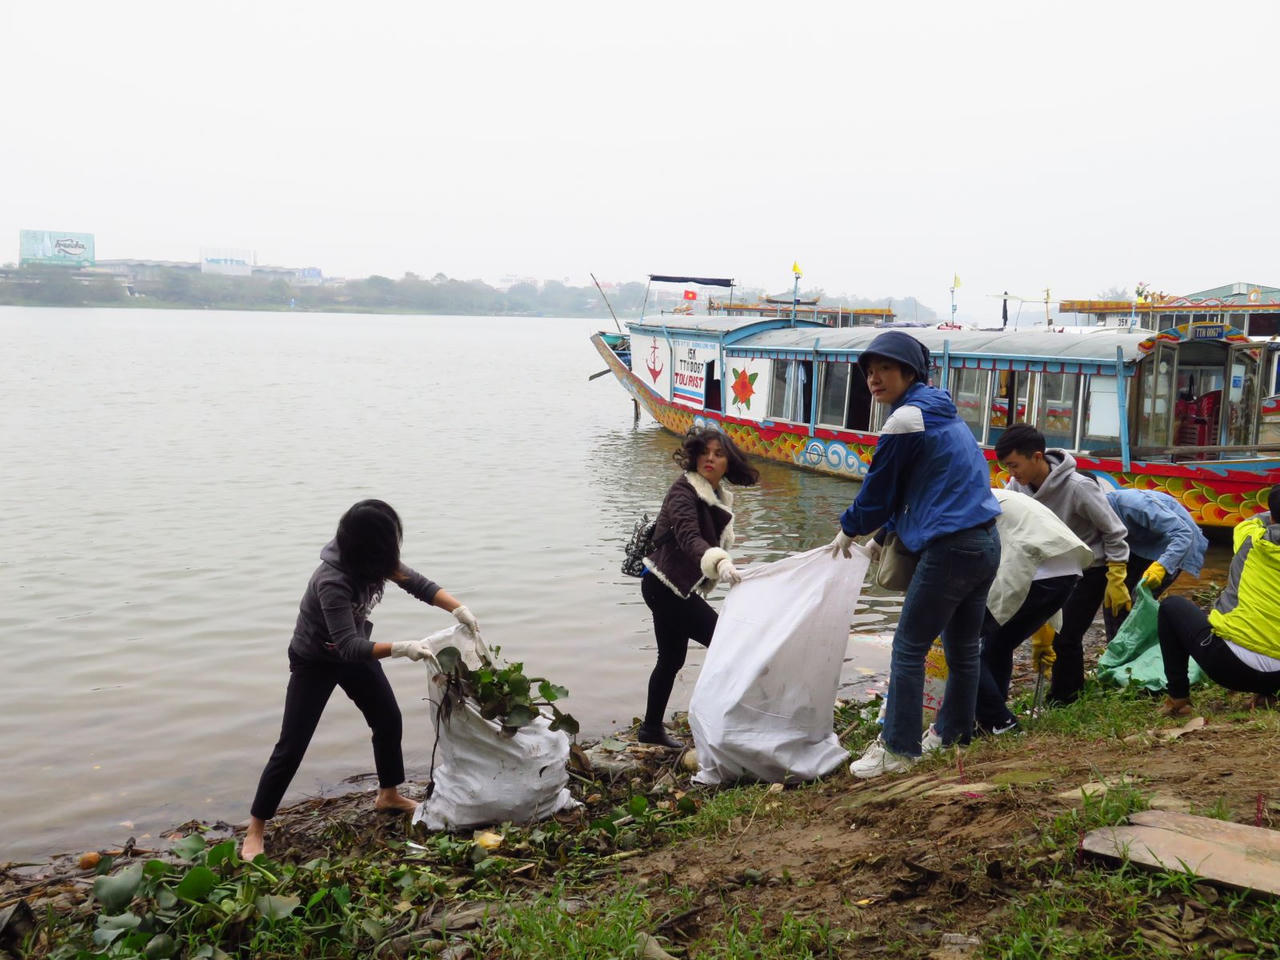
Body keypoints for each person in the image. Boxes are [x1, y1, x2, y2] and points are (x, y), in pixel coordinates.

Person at [241, 499, 479, 859]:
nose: (392, 554)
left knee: (387, 719)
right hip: (315, 660)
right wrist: (403, 648)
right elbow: (350, 646)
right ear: (365, 546)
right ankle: (255, 828)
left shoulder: (372, 560)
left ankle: (388, 796)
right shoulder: (332, 580)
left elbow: (418, 583)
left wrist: (459, 608)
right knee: (292, 744)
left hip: (354, 651)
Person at [829, 331, 1001, 778]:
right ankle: (952, 736)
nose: (874, 378)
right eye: (869, 371)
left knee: (908, 647)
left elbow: (880, 489)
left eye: (885, 368)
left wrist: (850, 527)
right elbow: (921, 488)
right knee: (964, 649)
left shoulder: (905, 419)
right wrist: (884, 533)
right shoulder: (941, 412)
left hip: (950, 548)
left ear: (910, 372)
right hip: (984, 543)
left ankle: (899, 749)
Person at [639, 427, 758, 748]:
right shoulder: (683, 491)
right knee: (725, 642)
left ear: (728, 462)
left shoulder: (715, 494)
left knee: (671, 659)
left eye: (719, 454)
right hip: (664, 586)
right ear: (694, 456)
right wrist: (720, 562)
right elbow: (690, 537)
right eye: (705, 452)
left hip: (672, 586)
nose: (710, 458)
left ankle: (650, 730)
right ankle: (727, 721)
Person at [995, 424, 1130, 706]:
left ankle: (1065, 699)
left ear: (1037, 456)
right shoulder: (1017, 487)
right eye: (1007, 467)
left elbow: (1114, 531)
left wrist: (1117, 575)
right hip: (1048, 569)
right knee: (1023, 631)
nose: (1012, 473)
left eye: (1014, 465)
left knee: (1066, 635)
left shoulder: (1079, 487)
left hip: (1089, 568)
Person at [973, 489, 1094, 734]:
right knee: (998, 643)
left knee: (960, 642)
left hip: (1038, 570)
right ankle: (992, 719)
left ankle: (999, 720)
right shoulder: (994, 495)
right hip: (1067, 572)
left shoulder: (965, 503)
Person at [1157, 486, 1280, 716]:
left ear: (1271, 513)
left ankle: (1178, 699)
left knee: (1170, 606)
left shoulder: (1249, 535)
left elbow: (1262, 518)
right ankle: (1266, 695)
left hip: (1231, 667)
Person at [1102, 487, 1208, 635]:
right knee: (1115, 601)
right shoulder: (1093, 514)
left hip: (1177, 542)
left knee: (1140, 601)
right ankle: (1114, 651)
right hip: (1142, 542)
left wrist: (1161, 566)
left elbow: (1183, 534)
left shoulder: (1133, 504)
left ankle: (1140, 649)